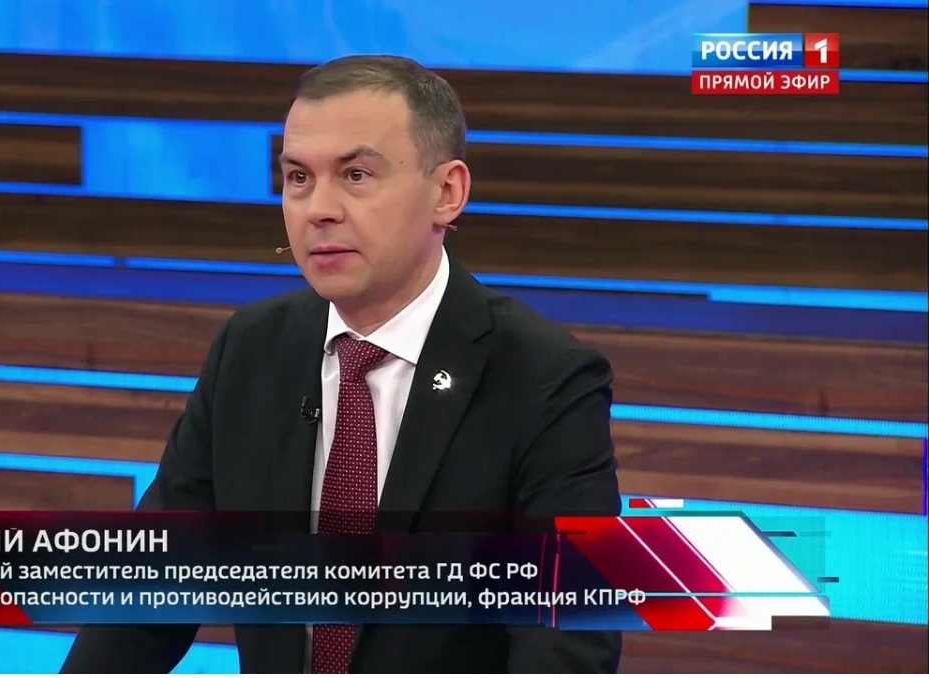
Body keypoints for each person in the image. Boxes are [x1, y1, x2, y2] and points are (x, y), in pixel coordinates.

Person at [62, 55, 622, 674]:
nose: (317, 209)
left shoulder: (545, 378)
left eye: (356, 175)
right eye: (298, 177)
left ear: (447, 193)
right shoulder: (252, 350)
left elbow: (565, 647)